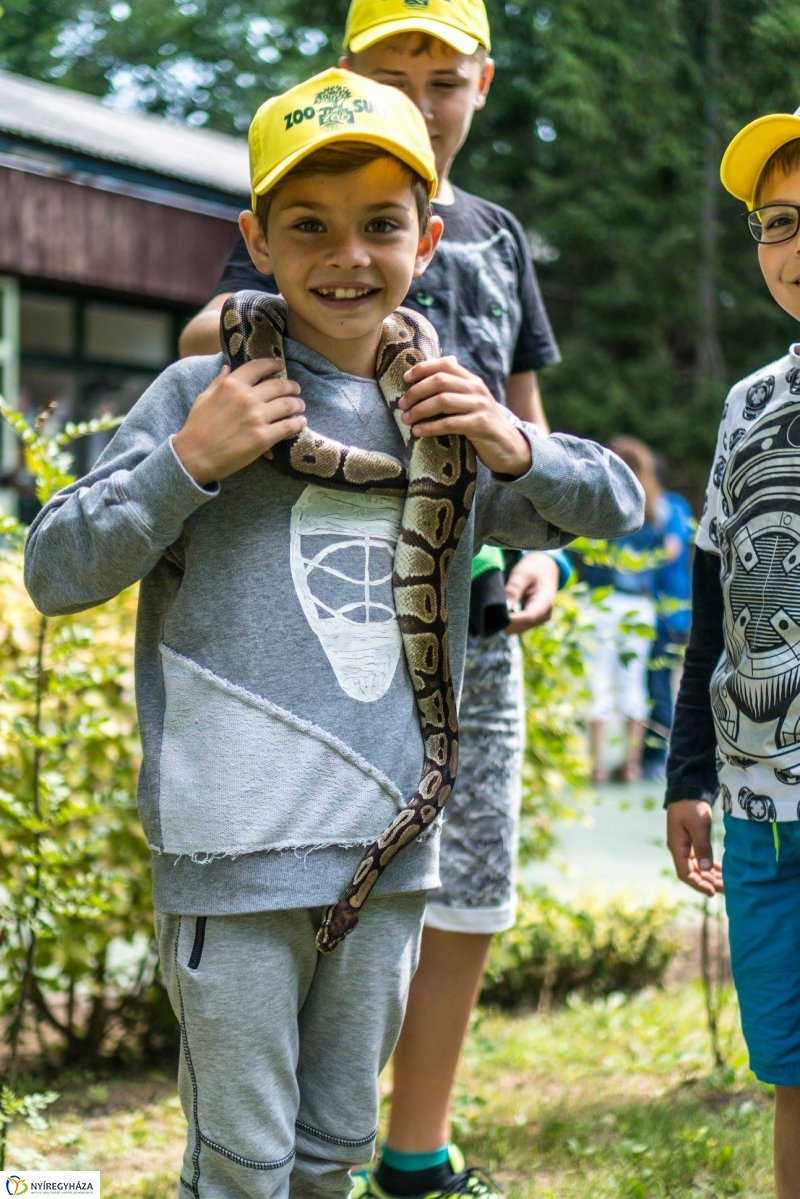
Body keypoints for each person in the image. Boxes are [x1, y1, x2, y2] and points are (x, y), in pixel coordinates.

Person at [24, 69, 643, 1199]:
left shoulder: (446, 421)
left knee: (330, 1157)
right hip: (232, 860)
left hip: (389, 855)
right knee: (243, 1161)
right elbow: (57, 570)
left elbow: (614, 505)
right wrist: (184, 465)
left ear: (427, 236)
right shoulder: (199, 393)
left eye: (379, 225)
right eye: (307, 226)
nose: (345, 254)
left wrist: (512, 440)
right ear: (256, 240)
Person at [178, 2, 570, 1194]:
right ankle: (273, 1146)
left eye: (441, 75)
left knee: (460, 888)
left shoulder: (497, 238)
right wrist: (342, 323)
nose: (423, 92)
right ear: (346, 73)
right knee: (330, 873)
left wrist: (547, 547)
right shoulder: (314, 206)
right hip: (330, 618)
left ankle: (416, 1146)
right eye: (392, 70)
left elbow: (527, 421)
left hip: (474, 623)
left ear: (481, 83)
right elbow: (210, 336)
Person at [665, 106, 800, 1199]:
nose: (794, 247)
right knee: (790, 1072)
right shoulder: (746, 405)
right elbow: (711, 606)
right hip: (759, 815)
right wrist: (684, 774)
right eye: (777, 222)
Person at [578, 437, 682, 785]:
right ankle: (631, 765)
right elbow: (670, 551)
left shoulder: (597, 506)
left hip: (602, 601)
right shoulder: (656, 512)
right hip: (637, 606)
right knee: (631, 684)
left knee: (599, 682)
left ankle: (599, 765)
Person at [641, 473, 693, 781]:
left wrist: (631, 559)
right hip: (650, 612)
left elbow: (672, 549)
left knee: (659, 685)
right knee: (647, 685)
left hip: (669, 615)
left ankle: (657, 758)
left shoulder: (672, 507)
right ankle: (646, 756)